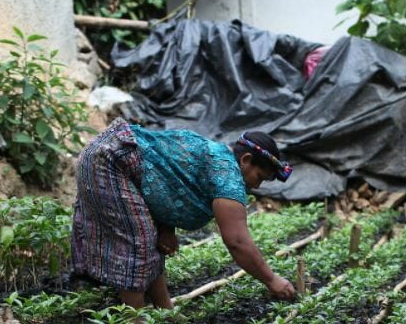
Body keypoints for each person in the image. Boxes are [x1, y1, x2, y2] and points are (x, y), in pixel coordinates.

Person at [70, 118, 297, 309]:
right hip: (110, 160)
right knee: (138, 242)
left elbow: (165, 178)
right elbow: (237, 240)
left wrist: (166, 227)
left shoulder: (216, 156)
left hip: (105, 152)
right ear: (246, 161)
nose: (256, 186)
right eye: (259, 177)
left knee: (152, 240)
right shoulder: (228, 175)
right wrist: (272, 279)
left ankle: (164, 310)